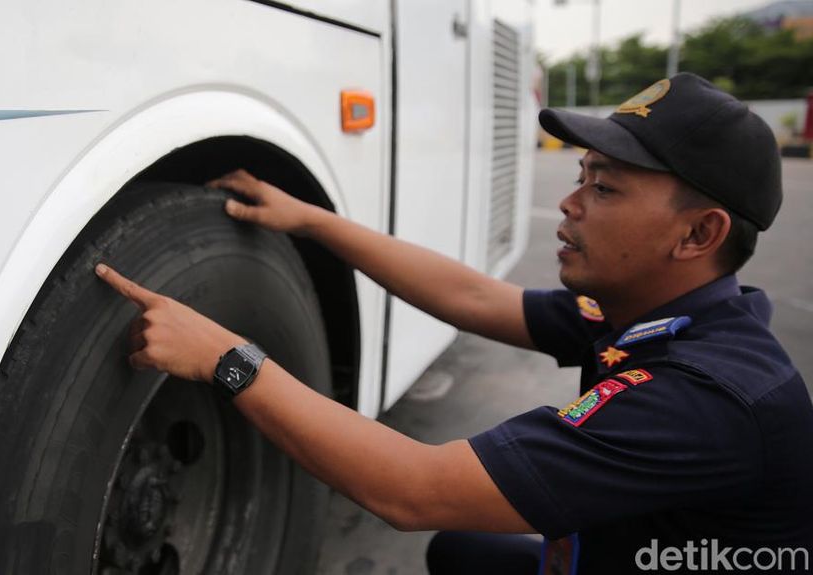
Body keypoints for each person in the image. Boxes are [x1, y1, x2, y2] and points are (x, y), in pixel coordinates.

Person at [93, 73, 813, 574]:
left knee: (450, 528)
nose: (570, 203)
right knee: (463, 552)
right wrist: (312, 220)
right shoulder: (659, 316)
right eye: (581, 174)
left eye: (605, 186)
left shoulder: (706, 399)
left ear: (698, 234)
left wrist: (225, 355)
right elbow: (471, 297)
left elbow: (417, 488)